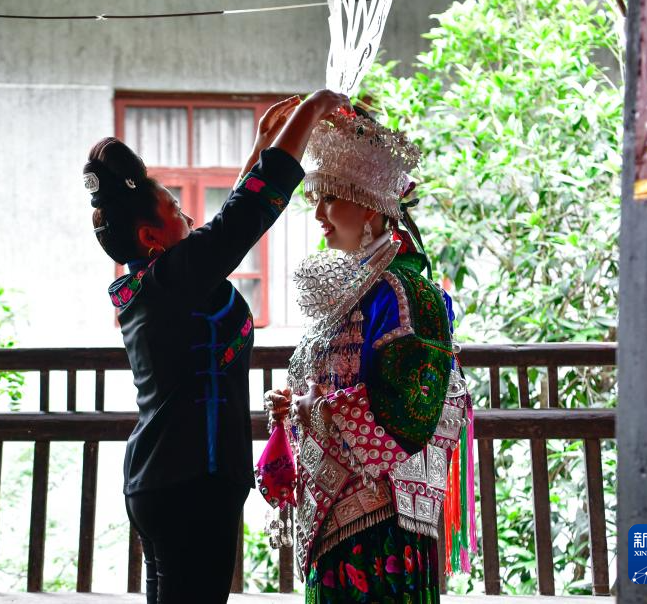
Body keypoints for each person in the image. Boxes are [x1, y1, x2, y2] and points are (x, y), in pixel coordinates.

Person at [86, 89, 352, 604]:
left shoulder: (154, 284)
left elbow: (225, 226)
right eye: (174, 209)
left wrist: (261, 146)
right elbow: (243, 215)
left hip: (160, 479)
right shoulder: (175, 280)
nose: (189, 216)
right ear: (151, 237)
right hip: (192, 482)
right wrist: (314, 107)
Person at [263, 105, 473, 603]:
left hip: (384, 514)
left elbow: (412, 409)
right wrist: (296, 405)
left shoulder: (408, 293)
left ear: (371, 209)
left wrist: (317, 409)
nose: (319, 214)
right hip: (337, 506)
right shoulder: (352, 290)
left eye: (330, 198)